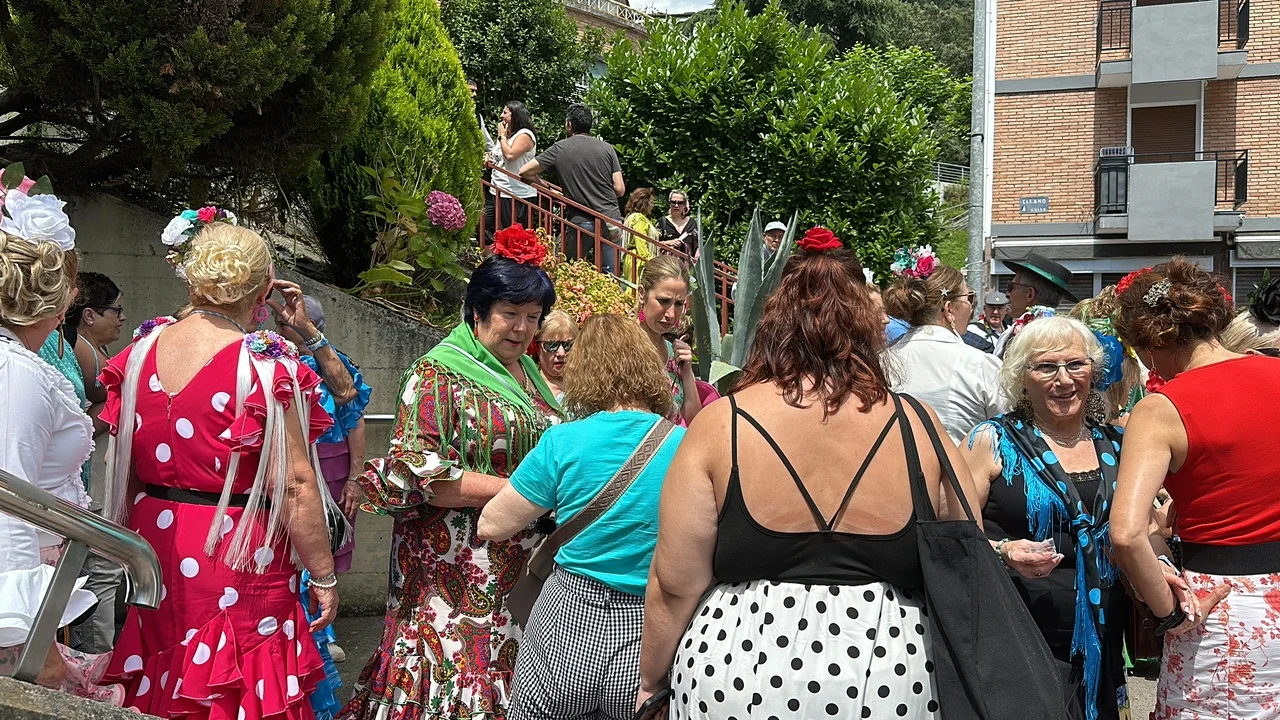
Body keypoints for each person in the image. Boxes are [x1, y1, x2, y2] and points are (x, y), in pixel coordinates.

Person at [637, 231, 981, 719]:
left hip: (737, 673)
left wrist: (652, 681)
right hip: (890, 678)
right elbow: (966, 553)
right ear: (868, 325)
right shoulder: (918, 425)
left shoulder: (722, 423)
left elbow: (675, 582)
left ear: (774, 322)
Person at [99, 223, 340, 719]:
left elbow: (122, 459)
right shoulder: (264, 366)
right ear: (263, 289)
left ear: (191, 279)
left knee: (166, 666)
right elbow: (293, 484)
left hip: (155, 543)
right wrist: (323, 574)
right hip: (235, 545)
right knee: (238, 675)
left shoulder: (141, 351)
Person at [343, 232, 563, 720]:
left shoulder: (528, 373)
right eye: (510, 313)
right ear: (478, 311)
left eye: (533, 317)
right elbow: (419, 472)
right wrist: (525, 493)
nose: (523, 328)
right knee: (455, 682)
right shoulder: (437, 374)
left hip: (516, 568)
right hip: (451, 570)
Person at [478, 313, 684, 720]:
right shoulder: (685, 445)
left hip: (566, 622)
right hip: (648, 630)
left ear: (584, 371)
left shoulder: (563, 440)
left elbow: (493, 524)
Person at [1110, 259, 1280, 720]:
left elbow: (1126, 533)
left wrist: (1167, 611)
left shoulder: (1162, 409)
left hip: (1222, 606)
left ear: (1151, 343)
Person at [961, 316, 1133, 720]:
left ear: (1094, 371)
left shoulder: (1119, 443)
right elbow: (954, 531)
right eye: (1046, 367)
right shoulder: (991, 440)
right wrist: (1003, 551)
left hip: (1104, 635)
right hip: (1017, 635)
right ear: (1022, 377)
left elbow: (1144, 527)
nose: (1064, 379)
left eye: (1075, 364)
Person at [0, 211, 124, 704]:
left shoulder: (20, 363)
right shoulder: (17, 373)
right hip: (20, 593)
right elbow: (9, 504)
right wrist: (31, 640)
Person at [53, 271, 129, 655]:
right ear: (89, 314)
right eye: (115, 310)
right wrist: (115, 404)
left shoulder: (89, 349)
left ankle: (95, 656)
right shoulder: (78, 347)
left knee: (103, 571)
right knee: (100, 572)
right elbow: (92, 412)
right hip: (89, 477)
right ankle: (95, 659)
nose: (122, 318)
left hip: (96, 474)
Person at [886, 262, 1006, 444]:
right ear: (949, 309)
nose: (971, 307)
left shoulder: (882, 360)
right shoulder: (980, 365)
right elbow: (1008, 431)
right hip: (961, 461)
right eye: (969, 298)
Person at [520, 104, 625, 273]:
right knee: (610, 275)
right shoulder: (607, 149)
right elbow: (620, 189)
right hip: (611, 220)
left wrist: (545, 186)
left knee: (570, 270)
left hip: (581, 220)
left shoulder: (560, 148)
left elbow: (525, 171)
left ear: (569, 124)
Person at [636, 257, 701, 426]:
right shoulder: (619, 346)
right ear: (642, 294)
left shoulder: (675, 354)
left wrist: (687, 373)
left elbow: (694, 421)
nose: (671, 314)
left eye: (679, 304)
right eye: (664, 301)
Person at [997, 253, 1076, 356]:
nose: (1007, 294)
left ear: (1030, 294)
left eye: (1011, 287)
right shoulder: (1071, 335)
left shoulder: (1019, 334)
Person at [485, 101, 538, 242]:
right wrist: (488, 157)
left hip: (515, 195)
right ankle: (491, 256)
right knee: (484, 225)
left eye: (505, 112)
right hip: (496, 190)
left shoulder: (525, 134)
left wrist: (502, 136)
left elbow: (510, 155)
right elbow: (499, 156)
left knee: (511, 239)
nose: (501, 116)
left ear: (515, 115)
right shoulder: (507, 135)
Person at [534, 309, 576, 400]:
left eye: (568, 345)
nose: (561, 353)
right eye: (552, 345)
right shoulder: (531, 388)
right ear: (536, 347)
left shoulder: (586, 384)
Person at [622, 188, 659, 285]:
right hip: (638, 260)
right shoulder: (639, 219)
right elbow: (641, 241)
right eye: (651, 202)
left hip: (633, 257)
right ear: (644, 202)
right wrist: (648, 261)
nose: (653, 205)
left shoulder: (631, 217)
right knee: (636, 288)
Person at [656, 190, 698, 259]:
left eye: (680, 203)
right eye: (673, 202)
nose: (676, 205)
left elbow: (697, 246)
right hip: (668, 263)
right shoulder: (662, 222)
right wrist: (668, 242)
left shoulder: (692, 223)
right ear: (669, 203)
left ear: (684, 205)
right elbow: (654, 244)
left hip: (688, 264)